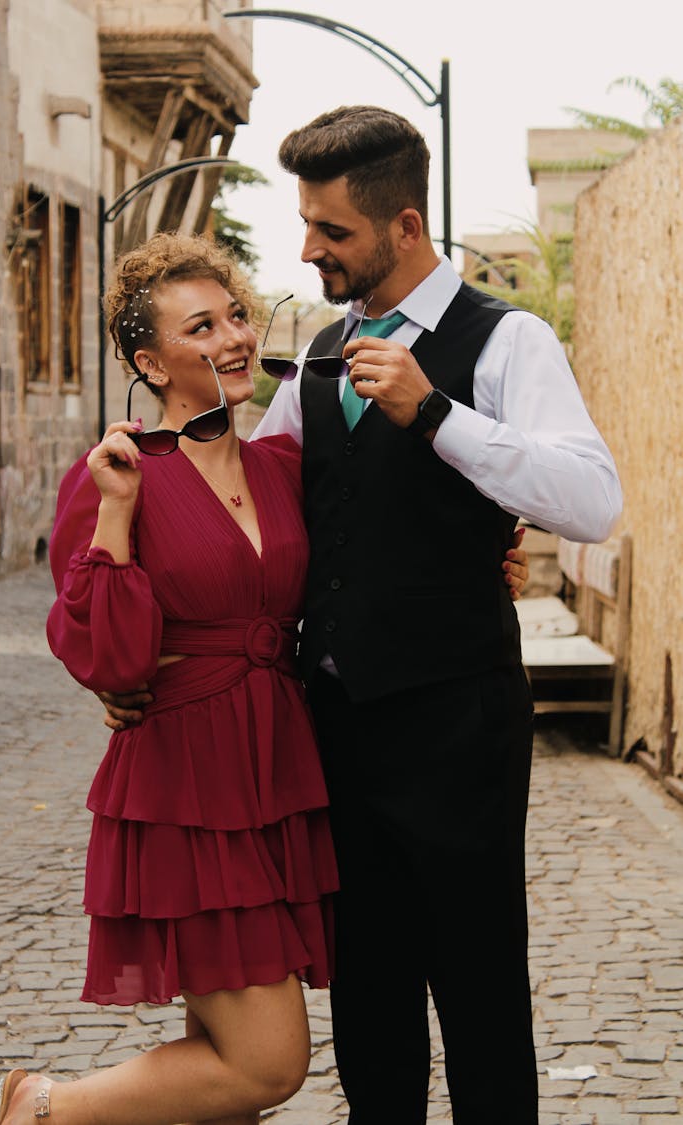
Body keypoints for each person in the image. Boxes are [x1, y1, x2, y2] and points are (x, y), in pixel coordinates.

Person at [244, 105, 621, 1125]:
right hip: (338, 720)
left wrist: (440, 416)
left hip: (458, 720)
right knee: (368, 990)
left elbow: (591, 498)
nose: (310, 247)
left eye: (332, 231)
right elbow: (260, 511)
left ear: (403, 227)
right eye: (308, 224)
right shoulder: (318, 358)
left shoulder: (508, 340)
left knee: (479, 984)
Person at [0, 233, 341, 1125]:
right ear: (148, 360)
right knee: (266, 1062)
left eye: (238, 316)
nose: (234, 338)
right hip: (187, 783)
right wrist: (120, 512)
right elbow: (114, 658)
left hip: (279, 766)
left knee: (223, 1059)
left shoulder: (283, 466)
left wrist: (500, 557)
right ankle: (43, 1106)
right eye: (200, 326)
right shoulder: (117, 474)